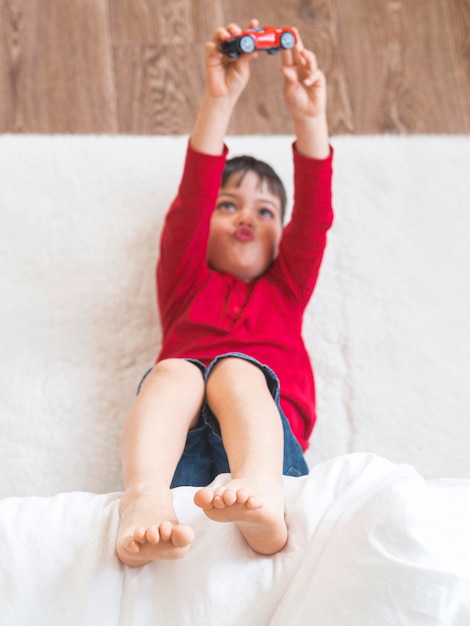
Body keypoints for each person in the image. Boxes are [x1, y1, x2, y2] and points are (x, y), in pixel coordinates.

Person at [116, 19, 333, 567]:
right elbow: (192, 199)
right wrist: (219, 98)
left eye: (265, 213)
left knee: (237, 369)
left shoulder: (285, 290)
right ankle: (143, 499)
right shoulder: (187, 282)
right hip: (178, 452)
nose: (245, 218)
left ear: (281, 238)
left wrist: (310, 118)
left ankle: (265, 499)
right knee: (174, 371)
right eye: (229, 204)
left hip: (265, 447)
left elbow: (314, 218)